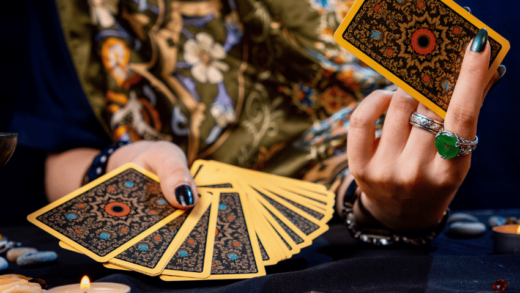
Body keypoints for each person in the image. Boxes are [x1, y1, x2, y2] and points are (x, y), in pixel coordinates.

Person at [40, 0, 504, 239]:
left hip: (373, 242)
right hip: (176, 243)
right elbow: (61, 152)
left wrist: (378, 203)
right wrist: (125, 166)